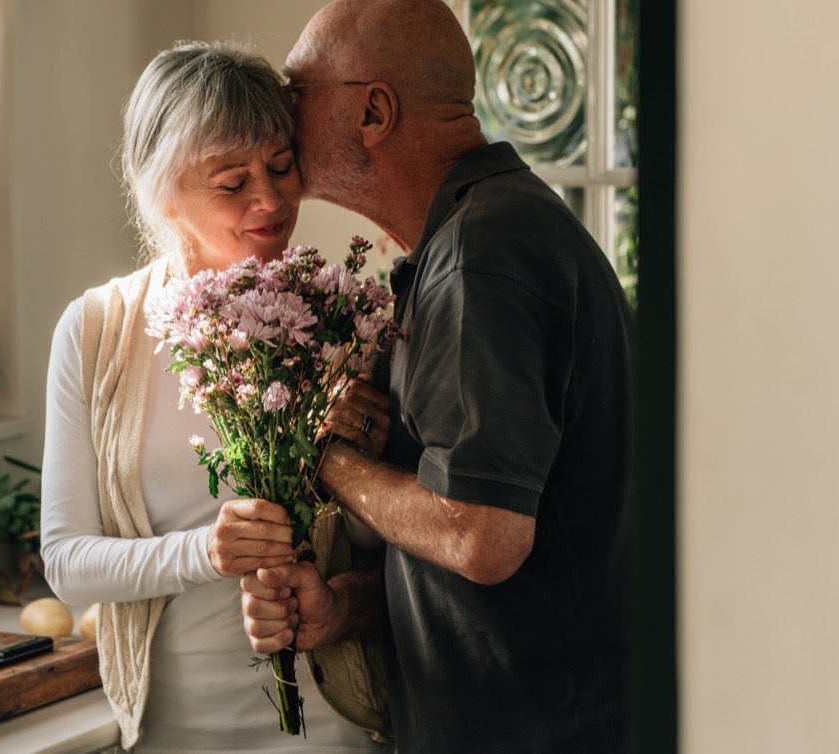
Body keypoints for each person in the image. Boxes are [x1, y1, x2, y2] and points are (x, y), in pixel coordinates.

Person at [240, 0, 635, 751]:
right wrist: (343, 609)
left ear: (373, 111)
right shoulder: (474, 240)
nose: (281, 116)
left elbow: (482, 537)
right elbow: (487, 553)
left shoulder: (482, 255)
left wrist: (327, 460)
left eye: (298, 92)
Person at [39, 40, 389, 752]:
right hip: (175, 732)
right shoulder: (99, 333)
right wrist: (208, 550)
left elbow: (402, 561)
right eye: (232, 182)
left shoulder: (344, 326)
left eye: (283, 166)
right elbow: (69, 564)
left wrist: (360, 462)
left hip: (336, 729)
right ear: (163, 193)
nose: (271, 199)